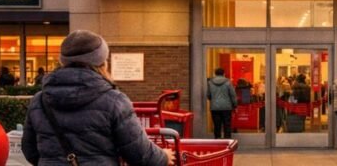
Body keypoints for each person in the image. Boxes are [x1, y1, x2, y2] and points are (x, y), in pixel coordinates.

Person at [21, 30, 174, 166]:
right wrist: (163, 157)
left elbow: (30, 150)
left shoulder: (39, 100)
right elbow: (138, 154)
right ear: (102, 62)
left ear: (63, 61)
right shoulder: (114, 101)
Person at [207, 67, 238, 139]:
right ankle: (227, 140)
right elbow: (233, 95)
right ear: (224, 74)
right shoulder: (228, 82)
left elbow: (208, 95)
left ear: (215, 74)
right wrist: (235, 105)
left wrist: (214, 100)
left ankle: (217, 140)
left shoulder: (210, 82)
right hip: (227, 107)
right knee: (227, 125)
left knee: (217, 125)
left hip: (214, 107)